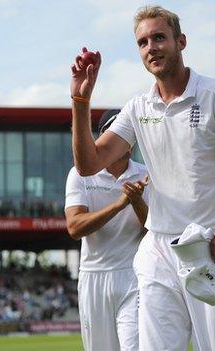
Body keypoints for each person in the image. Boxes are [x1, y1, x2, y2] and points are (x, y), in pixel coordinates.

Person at [68, 5, 215, 350]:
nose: (151, 48)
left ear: (181, 41)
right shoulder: (137, 108)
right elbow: (89, 163)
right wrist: (80, 101)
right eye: (143, 42)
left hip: (211, 245)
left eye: (159, 37)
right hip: (158, 250)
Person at [65, 109, 149, 351]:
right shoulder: (80, 175)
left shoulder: (145, 174)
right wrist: (119, 204)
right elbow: (74, 227)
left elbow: (153, 229)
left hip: (134, 273)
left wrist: (137, 202)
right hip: (94, 275)